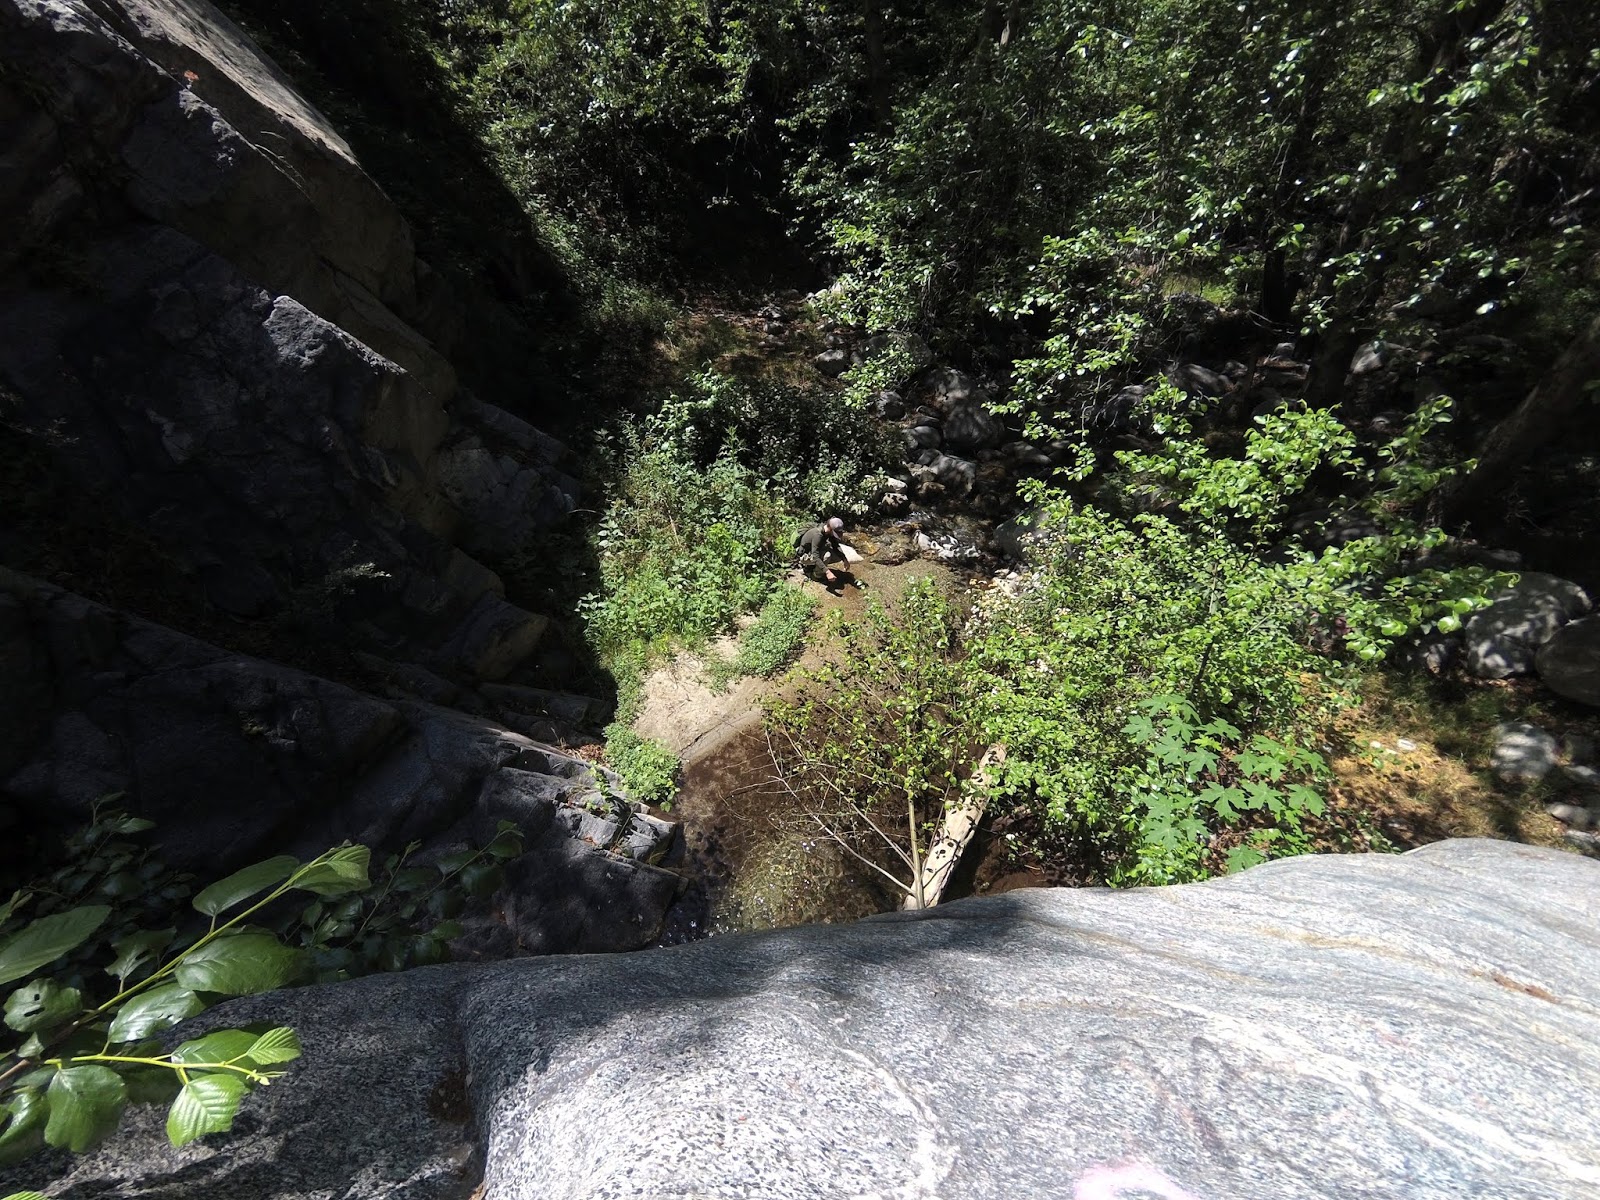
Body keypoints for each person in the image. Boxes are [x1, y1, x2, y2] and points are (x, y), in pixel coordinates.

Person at [796, 517, 855, 587]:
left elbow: (836, 546)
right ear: (830, 528)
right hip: (804, 556)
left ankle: (813, 567)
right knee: (827, 555)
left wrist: (844, 559)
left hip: (814, 552)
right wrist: (827, 572)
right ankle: (815, 576)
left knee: (837, 556)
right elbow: (815, 556)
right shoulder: (818, 535)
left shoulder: (827, 532)